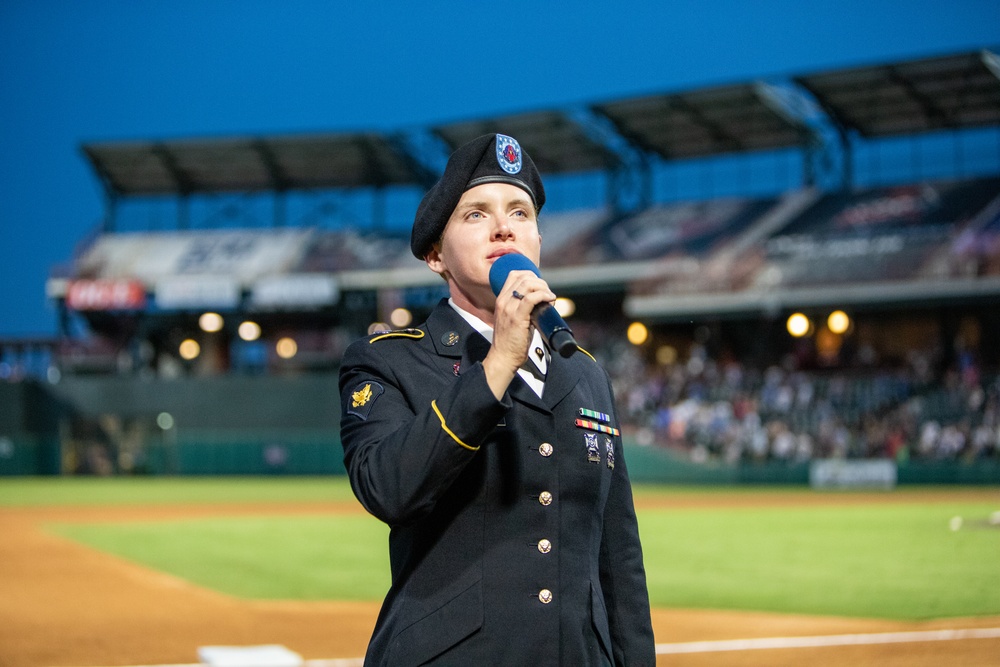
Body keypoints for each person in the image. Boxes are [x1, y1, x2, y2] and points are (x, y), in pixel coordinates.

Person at [339, 133, 655, 666]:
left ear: (536, 240)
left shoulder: (585, 372)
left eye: (520, 212)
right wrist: (495, 366)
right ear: (435, 255)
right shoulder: (388, 362)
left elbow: (618, 556)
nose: (504, 226)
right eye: (476, 215)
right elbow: (387, 489)